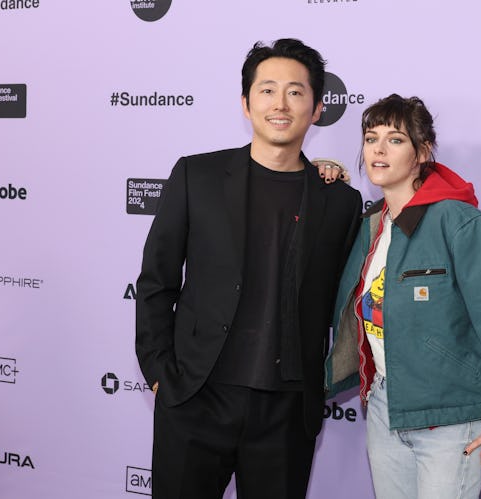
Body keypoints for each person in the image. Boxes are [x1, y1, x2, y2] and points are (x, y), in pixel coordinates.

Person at [135, 38, 362, 499]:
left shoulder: (340, 200)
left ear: (317, 108)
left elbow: (343, 301)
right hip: (196, 397)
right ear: (246, 103)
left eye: (296, 92)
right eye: (267, 90)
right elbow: (156, 281)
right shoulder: (194, 177)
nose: (281, 104)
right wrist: (159, 371)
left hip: (286, 412)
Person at [325, 94, 481, 499]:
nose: (378, 149)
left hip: (450, 421)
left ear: (423, 151)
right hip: (383, 409)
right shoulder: (371, 225)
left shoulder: (459, 223)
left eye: (395, 140)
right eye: (371, 137)